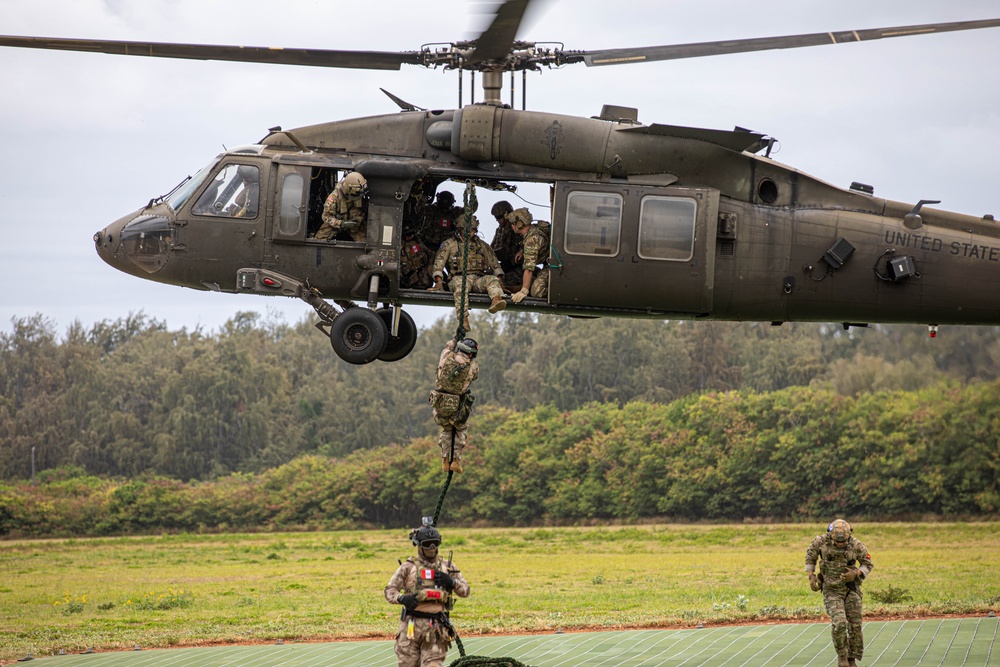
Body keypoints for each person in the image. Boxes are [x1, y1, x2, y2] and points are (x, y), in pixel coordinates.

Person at [385, 522, 470, 667]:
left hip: (436, 627)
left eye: (435, 544)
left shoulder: (447, 567)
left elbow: (465, 591)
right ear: (418, 545)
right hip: (411, 626)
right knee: (407, 663)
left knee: (433, 664)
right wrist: (402, 598)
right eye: (427, 544)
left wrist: (451, 582)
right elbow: (389, 590)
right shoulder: (408, 567)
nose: (432, 548)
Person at [805, 519, 874, 667]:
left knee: (855, 626)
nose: (841, 544)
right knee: (839, 623)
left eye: (844, 542)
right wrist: (811, 576)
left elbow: (868, 564)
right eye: (838, 542)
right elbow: (810, 556)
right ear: (831, 536)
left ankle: (852, 659)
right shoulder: (820, 542)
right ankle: (842, 656)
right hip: (831, 590)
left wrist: (856, 573)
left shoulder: (856, 545)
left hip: (851, 590)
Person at [427, 210, 506, 331]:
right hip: (458, 278)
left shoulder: (482, 245)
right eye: (469, 230)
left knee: (492, 279)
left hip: (478, 279)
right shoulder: (450, 245)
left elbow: (494, 264)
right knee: (461, 286)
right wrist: (438, 281)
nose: (472, 233)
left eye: (474, 230)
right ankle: (463, 319)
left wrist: (499, 280)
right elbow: (439, 264)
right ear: (460, 229)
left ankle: (496, 300)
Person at [429, 338, 479, 473]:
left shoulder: (445, 354)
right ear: (471, 354)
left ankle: (445, 460)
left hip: (440, 402)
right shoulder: (472, 366)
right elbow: (474, 377)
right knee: (460, 429)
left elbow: (448, 345)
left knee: (447, 430)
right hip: (457, 405)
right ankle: (456, 460)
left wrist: (456, 338)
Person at [507, 207, 551, 303]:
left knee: (536, 291)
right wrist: (522, 251)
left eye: (513, 224)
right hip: (549, 264)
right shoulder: (534, 230)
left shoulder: (531, 241)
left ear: (519, 225)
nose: (512, 227)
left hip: (551, 268)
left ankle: (556, 291)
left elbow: (529, 269)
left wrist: (523, 291)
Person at [314, 171, 368, 242]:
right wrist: (342, 224)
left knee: (367, 242)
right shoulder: (333, 198)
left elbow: (364, 210)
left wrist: (358, 220)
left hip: (354, 226)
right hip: (336, 224)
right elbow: (325, 216)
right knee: (318, 240)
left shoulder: (360, 192)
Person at [489, 200, 521, 277]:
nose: (497, 220)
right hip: (503, 265)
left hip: (517, 267)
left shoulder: (517, 229)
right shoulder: (500, 230)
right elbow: (491, 248)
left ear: (506, 215)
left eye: (498, 217)